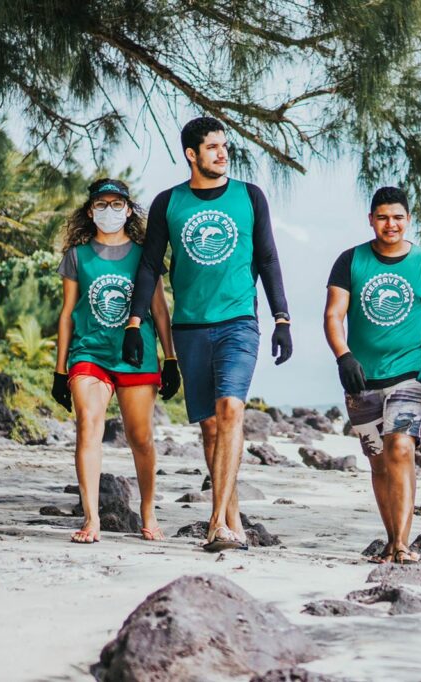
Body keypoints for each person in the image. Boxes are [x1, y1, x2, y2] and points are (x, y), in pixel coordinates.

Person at [122, 117, 292, 552]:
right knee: (212, 429)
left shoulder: (250, 196)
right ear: (191, 155)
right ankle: (232, 520)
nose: (222, 153)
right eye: (212, 147)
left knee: (232, 409)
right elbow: (148, 266)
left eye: (225, 146)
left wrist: (282, 318)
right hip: (190, 327)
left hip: (238, 321)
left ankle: (215, 522)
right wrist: (135, 323)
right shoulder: (169, 203)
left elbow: (270, 259)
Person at [324, 186, 421, 564]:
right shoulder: (350, 261)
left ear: (408, 220)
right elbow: (334, 313)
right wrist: (343, 355)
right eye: (383, 217)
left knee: (400, 449)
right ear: (371, 220)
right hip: (361, 380)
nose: (391, 224)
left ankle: (402, 543)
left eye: (398, 217)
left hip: (410, 374)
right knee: (378, 460)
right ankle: (391, 540)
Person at [52, 179, 180, 544]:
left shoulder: (145, 254)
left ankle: (149, 509)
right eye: (102, 204)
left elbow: (159, 309)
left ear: (128, 208)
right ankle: (91, 518)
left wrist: (170, 359)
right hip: (89, 353)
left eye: (117, 204)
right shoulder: (77, 255)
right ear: (90, 211)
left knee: (140, 438)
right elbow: (66, 315)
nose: (110, 211)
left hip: (135, 356)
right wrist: (60, 371)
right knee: (88, 425)